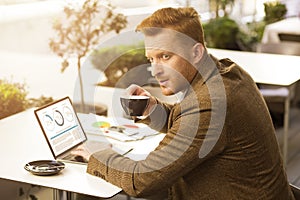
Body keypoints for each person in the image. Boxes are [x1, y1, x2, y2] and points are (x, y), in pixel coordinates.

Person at [82, 7, 295, 199]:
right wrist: (152, 109)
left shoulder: (209, 103)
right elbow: (192, 123)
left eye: (165, 56)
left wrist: (98, 154)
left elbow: (141, 181)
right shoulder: (228, 73)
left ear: (196, 52)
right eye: (151, 59)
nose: (155, 70)